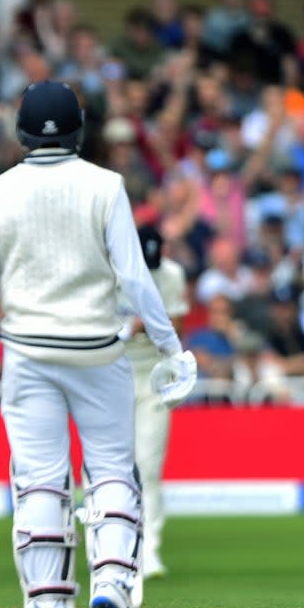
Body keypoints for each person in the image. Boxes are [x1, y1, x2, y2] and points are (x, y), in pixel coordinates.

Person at [0, 82, 196, 608]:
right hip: (97, 349)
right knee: (111, 472)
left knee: (38, 480)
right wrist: (170, 346)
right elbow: (136, 278)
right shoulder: (106, 186)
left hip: (28, 352)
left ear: (21, 131)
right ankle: (111, 582)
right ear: (80, 129)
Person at [117, 225, 188, 584]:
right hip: (111, 375)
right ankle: (113, 546)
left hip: (154, 377)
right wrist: (131, 326)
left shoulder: (171, 274)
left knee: (148, 465)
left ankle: (149, 550)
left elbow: (177, 326)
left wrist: (150, 325)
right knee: (111, 466)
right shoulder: (111, 270)